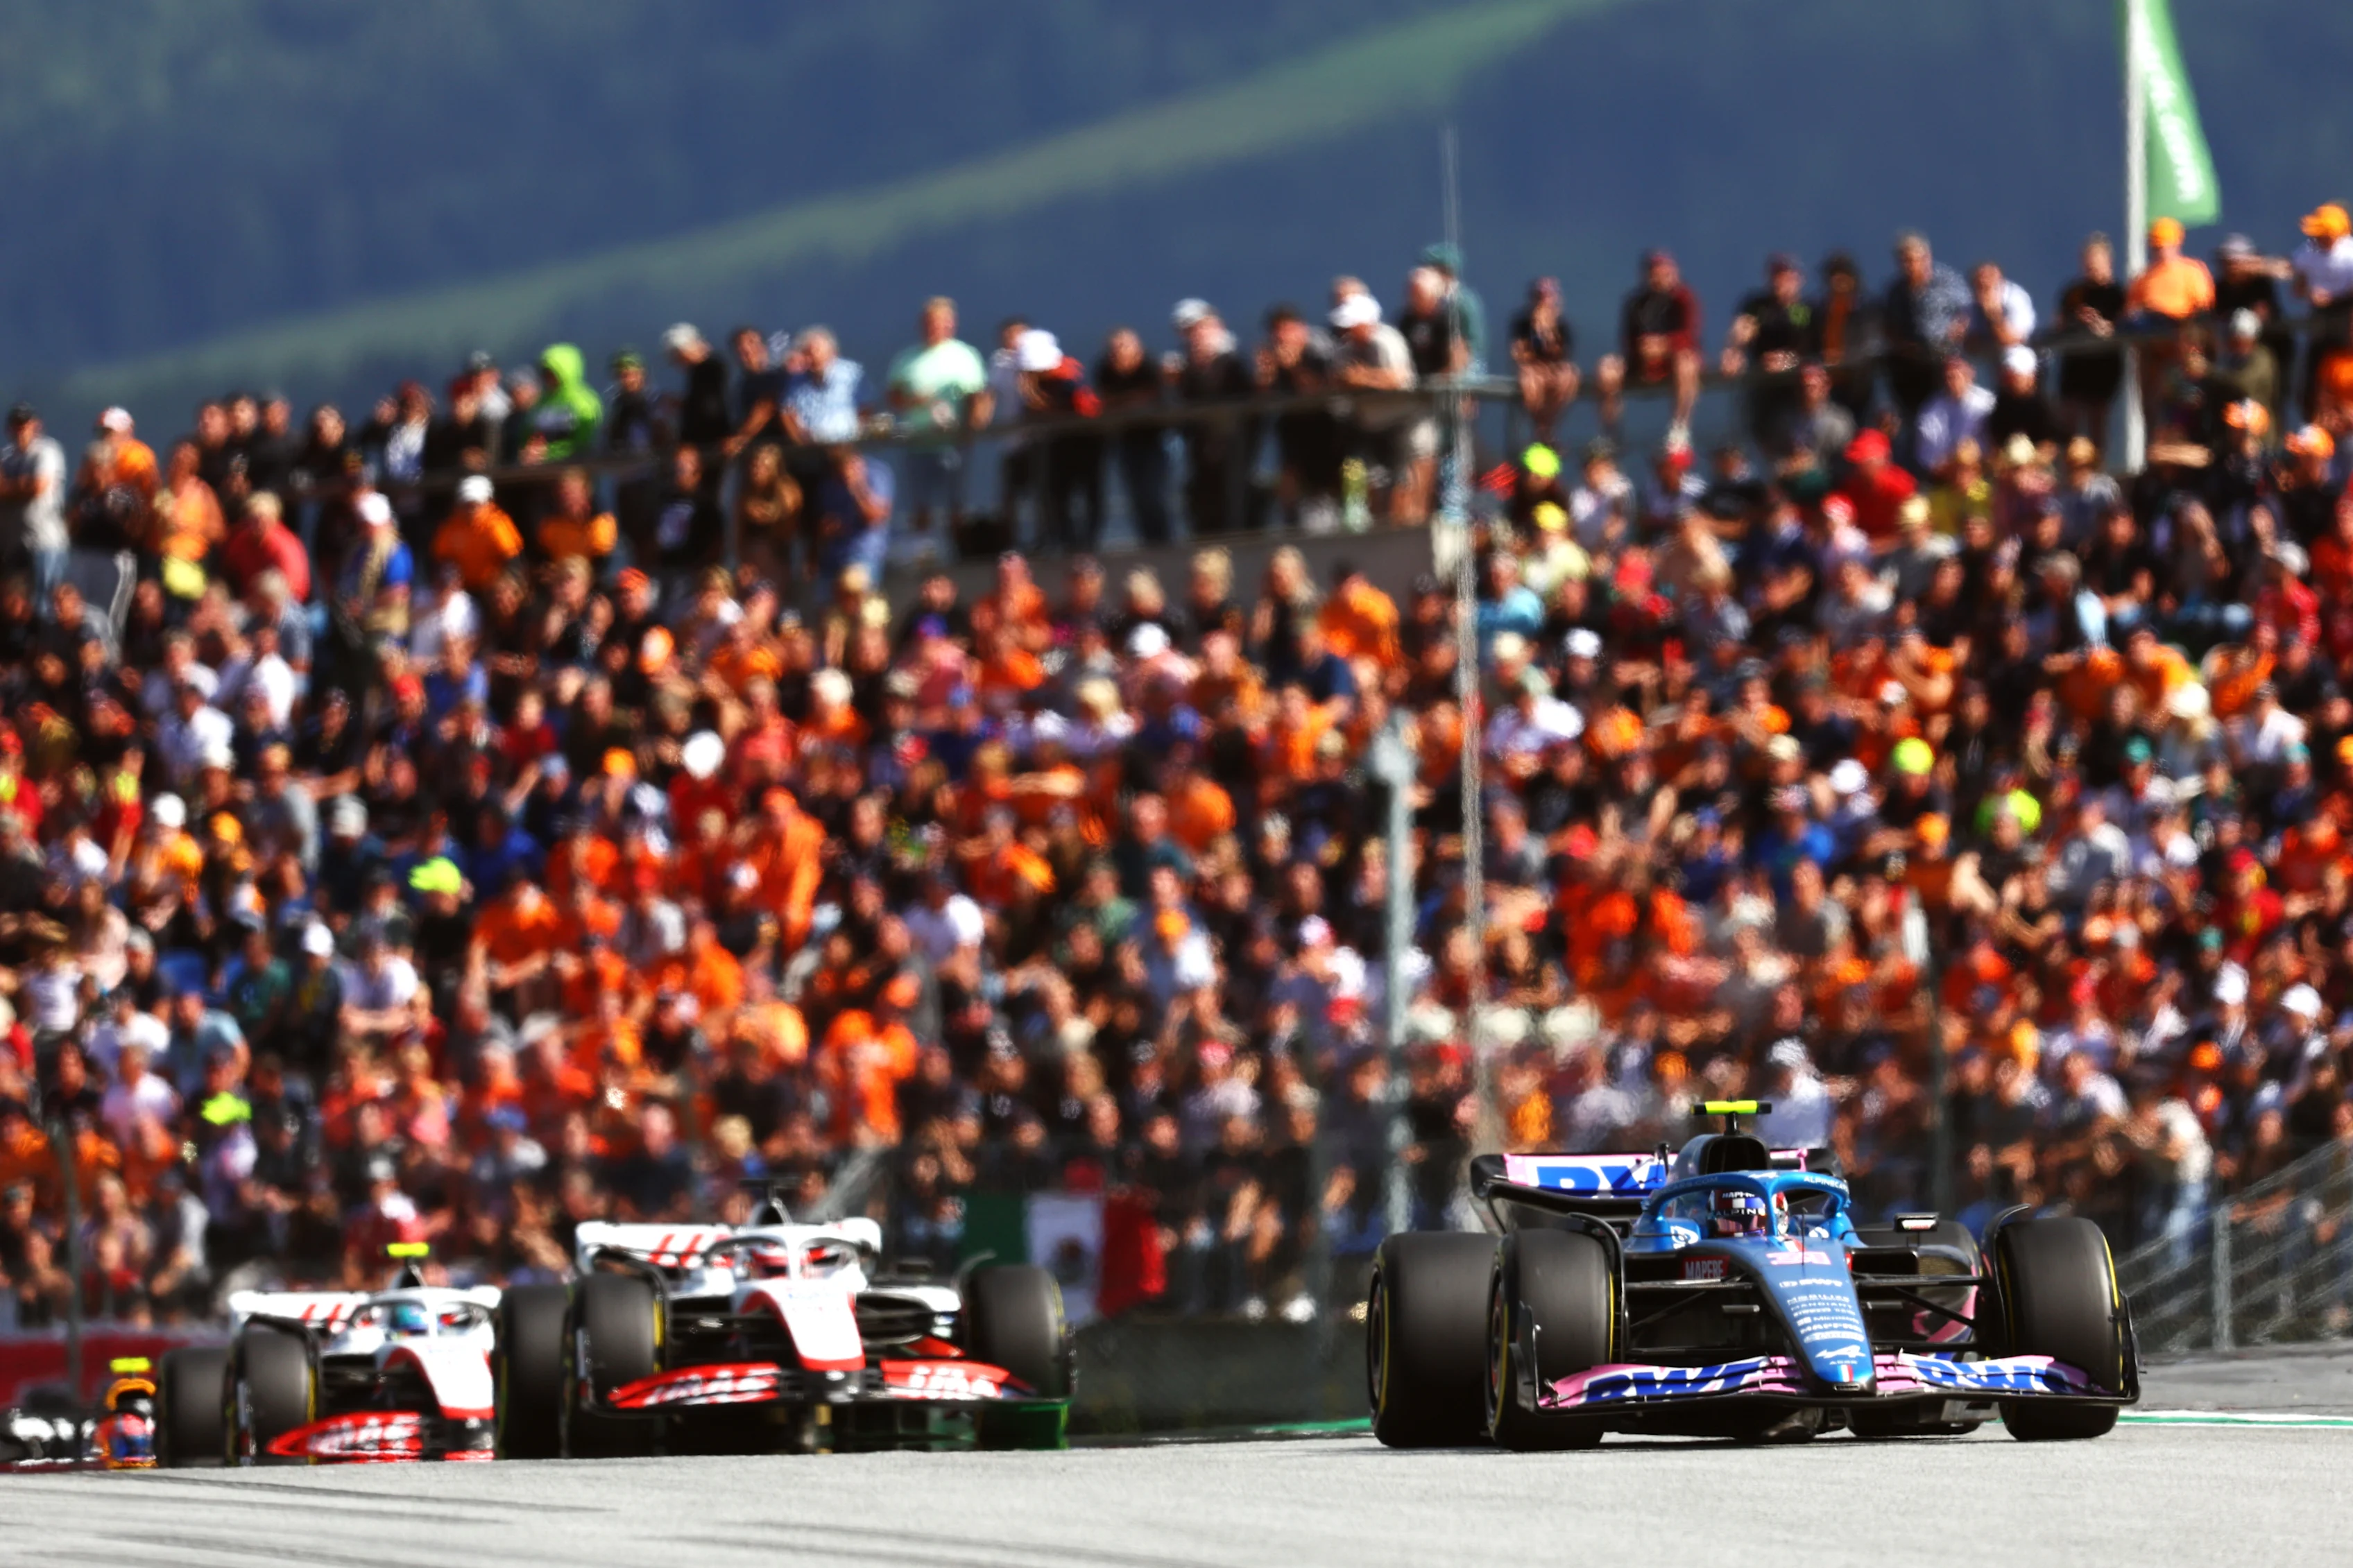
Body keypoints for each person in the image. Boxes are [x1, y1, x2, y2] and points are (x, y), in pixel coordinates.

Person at [884, 298, 991, 546]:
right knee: (920, 504)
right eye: (929, 322)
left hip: (954, 442)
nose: (934, 327)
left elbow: (980, 396)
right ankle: (922, 552)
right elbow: (893, 397)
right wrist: (914, 400)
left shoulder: (965, 356)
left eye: (940, 322)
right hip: (918, 441)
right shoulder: (907, 359)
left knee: (957, 502)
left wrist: (973, 427)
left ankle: (959, 550)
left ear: (951, 324)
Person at [1595, 249, 1701, 438]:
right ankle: (1611, 433)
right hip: (1640, 361)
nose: (1659, 277)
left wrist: (1664, 345)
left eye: (1664, 271)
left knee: (1687, 363)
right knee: (1607, 367)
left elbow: (1690, 336)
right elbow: (1627, 339)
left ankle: (1679, 428)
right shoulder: (1635, 303)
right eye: (1654, 272)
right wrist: (1642, 351)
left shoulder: (1684, 298)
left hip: (1673, 361)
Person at [1881, 231, 1970, 428]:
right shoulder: (1895, 291)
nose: (1910, 266)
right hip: (1911, 364)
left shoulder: (1947, 282)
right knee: (1915, 417)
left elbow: (1967, 310)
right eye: (1905, 261)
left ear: (1926, 258)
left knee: (1946, 412)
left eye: (1914, 260)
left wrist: (1956, 333)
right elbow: (1888, 325)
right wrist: (1903, 346)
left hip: (1943, 359)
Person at [2054, 234, 2128, 448]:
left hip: (2103, 364)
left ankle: (2097, 469)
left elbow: (2125, 325)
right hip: (2075, 364)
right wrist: (2076, 320)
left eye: (2095, 261)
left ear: (2108, 261)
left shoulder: (2118, 294)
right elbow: (2058, 324)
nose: (2091, 267)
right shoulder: (2073, 293)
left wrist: (2102, 326)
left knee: (2098, 418)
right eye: (2087, 261)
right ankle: (2071, 466)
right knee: (2069, 417)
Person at [0, 404, 68, 607]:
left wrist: (8, 488)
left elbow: (38, 487)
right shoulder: (6, 456)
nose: (21, 429)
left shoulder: (47, 451)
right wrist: (22, 485)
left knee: (45, 603)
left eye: (25, 424)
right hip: (13, 543)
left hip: (44, 542)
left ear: (36, 425)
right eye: (16, 425)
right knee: (13, 604)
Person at [1508, 277, 1580, 444]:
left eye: (1548, 297)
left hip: (1555, 369)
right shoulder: (1522, 323)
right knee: (1530, 382)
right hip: (1532, 370)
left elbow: (1563, 354)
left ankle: (1549, 427)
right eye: (1540, 297)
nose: (1544, 302)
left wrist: (1548, 332)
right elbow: (1519, 354)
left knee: (1569, 377)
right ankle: (1540, 428)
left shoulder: (1562, 325)